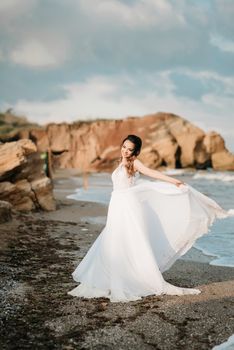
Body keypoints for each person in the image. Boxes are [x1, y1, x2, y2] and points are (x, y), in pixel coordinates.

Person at [68, 134, 233, 302]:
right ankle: (113, 276)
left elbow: (152, 173)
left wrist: (175, 181)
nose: (125, 151)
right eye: (124, 147)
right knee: (114, 240)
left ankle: (134, 278)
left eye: (129, 149)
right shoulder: (120, 162)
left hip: (128, 207)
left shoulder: (135, 163)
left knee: (129, 241)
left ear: (136, 151)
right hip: (117, 205)